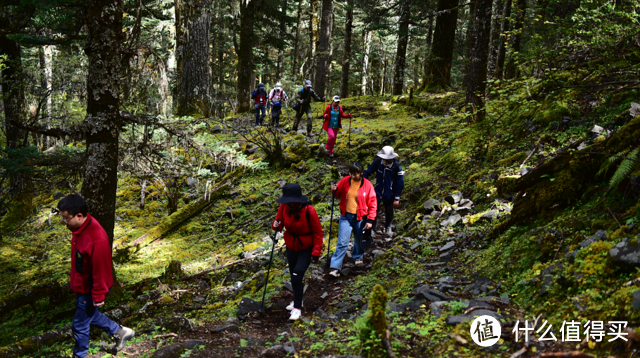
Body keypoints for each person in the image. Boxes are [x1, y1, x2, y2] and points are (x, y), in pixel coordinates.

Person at [56, 194, 135, 358]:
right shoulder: (80, 228)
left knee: (79, 325)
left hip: (90, 289)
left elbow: (100, 270)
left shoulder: (96, 238)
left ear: (79, 215)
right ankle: (120, 331)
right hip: (83, 286)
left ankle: (80, 355)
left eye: (66, 219)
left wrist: (98, 294)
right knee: (89, 315)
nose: (64, 223)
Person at [272, 184, 323, 321]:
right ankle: (297, 300)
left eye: (290, 201)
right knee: (294, 276)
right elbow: (279, 222)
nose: (287, 203)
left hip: (306, 248)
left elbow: (318, 232)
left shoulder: (309, 210)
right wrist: (276, 224)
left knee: (296, 276)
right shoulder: (284, 207)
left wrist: (316, 252)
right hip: (291, 246)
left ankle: (297, 308)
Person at [328, 162, 377, 277]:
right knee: (342, 242)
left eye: (355, 174)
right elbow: (338, 194)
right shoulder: (345, 180)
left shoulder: (368, 185)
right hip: (346, 216)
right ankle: (335, 267)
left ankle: (358, 256)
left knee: (359, 238)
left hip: (360, 217)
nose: (353, 176)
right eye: (351, 173)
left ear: (361, 173)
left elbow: (373, 203)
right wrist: (334, 189)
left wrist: (370, 220)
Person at [364, 146, 405, 237]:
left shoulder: (396, 167)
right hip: (378, 190)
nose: (386, 161)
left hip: (390, 193)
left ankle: (388, 227)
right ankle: (372, 229)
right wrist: (362, 182)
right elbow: (368, 171)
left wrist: (397, 198)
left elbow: (399, 183)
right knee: (374, 209)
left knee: (389, 210)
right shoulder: (378, 162)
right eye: (385, 159)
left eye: (388, 160)